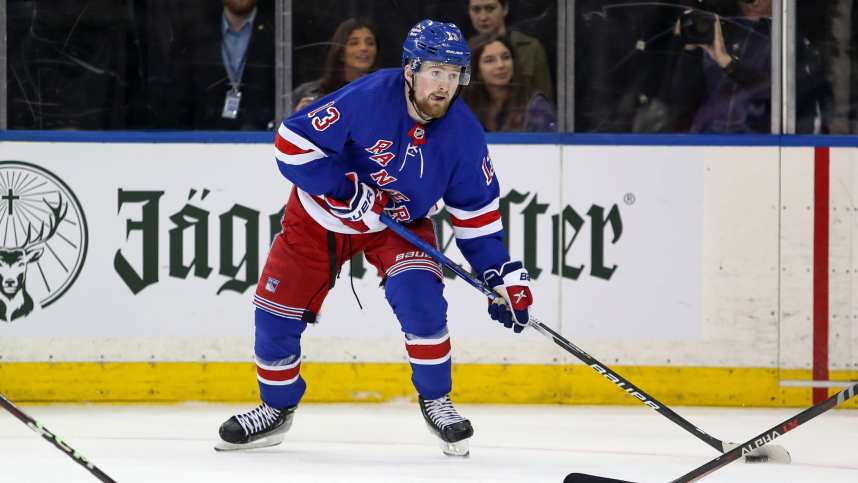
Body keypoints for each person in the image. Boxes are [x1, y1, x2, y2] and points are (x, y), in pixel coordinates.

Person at [215, 19, 534, 457]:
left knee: (421, 297)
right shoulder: (367, 98)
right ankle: (275, 408)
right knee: (274, 316)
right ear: (410, 70)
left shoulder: (464, 136)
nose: (443, 85)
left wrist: (502, 275)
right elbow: (290, 144)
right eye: (434, 72)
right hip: (319, 217)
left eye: (454, 74)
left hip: (397, 224)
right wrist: (346, 189)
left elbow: (477, 221)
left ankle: (437, 400)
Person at [664, 0, 773, 133]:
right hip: (705, 139)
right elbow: (681, 102)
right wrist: (690, 46)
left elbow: (775, 92)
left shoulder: (785, 37)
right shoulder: (715, 26)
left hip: (758, 142)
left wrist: (727, 63)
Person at [169, 0, 275, 130]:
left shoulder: (282, 33)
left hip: (266, 141)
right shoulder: (192, 36)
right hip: (201, 142)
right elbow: (177, 103)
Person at [462, 33, 556, 131]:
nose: (501, 65)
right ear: (476, 71)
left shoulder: (536, 105)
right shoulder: (464, 105)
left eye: (506, 57)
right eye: (489, 60)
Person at [467, 0, 553, 100]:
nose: (483, 17)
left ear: (505, 9)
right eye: (476, 10)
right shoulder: (462, 52)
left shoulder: (529, 47)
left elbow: (544, 96)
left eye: (490, 8)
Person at [293, 18, 379, 111]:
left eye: (370, 43)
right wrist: (299, 117)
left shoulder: (385, 92)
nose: (364, 48)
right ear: (340, 53)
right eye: (354, 43)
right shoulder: (310, 93)